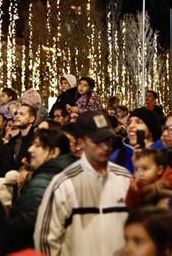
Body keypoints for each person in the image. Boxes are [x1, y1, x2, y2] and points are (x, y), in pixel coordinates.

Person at [34, 110, 131, 256]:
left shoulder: (124, 178)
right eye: (98, 141)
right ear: (81, 142)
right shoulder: (64, 183)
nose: (105, 146)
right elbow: (46, 240)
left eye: (108, 139)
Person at [6, 129, 77, 252]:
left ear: (54, 152)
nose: (30, 149)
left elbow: (27, 225)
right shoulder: (66, 172)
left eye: (37, 145)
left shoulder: (44, 181)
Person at [110, 107, 165, 173]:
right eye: (129, 123)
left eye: (139, 122)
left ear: (151, 130)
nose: (131, 126)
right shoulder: (117, 155)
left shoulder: (164, 154)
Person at [0, 104, 36, 177]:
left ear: (31, 119)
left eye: (22, 114)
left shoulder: (36, 139)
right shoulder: (14, 140)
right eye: (16, 113)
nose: (17, 116)